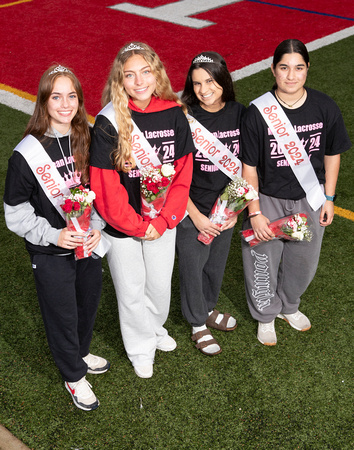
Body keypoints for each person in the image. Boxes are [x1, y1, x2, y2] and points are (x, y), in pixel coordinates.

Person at [4, 65, 110, 411]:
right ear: (44, 102)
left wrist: (96, 227)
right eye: (56, 96)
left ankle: (80, 352)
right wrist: (52, 235)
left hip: (88, 246)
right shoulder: (26, 154)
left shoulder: (89, 137)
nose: (65, 104)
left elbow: (100, 190)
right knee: (62, 314)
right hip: (50, 252)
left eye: (72, 96)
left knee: (86, 305)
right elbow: (16, 213)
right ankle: (73, 375)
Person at [89, 42, 194, 378]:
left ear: (156, 73)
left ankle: (153, 328)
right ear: (119, 81)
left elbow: (182, 173)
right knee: (131, 288)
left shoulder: (174, 113)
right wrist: (136, 225)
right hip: (123, 226)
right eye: (129, 75)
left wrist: (163, 221)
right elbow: (105, 186)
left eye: (145, 72)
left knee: (160, 287)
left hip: (162, 222)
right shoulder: (108, 121)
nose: (138, 81)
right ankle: (139, 347)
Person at [240, 39, 351, 345]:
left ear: (308, 69)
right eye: (284, 68)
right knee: (262, 260)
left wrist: (329, 198)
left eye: (299, 68)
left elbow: (332, 154)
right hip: (268, 200)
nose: (291, 76)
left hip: (309, 199)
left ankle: (289, 306)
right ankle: (265, 314)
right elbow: (248, 167)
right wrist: (255, 212)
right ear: (273, 69)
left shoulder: (324, 106)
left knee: (303, 262)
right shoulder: (257, 113)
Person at [176, 52, 246, 355]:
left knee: (215, 265)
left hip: (226, 208)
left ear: (223, 79)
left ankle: (206, 309)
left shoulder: (240, 113)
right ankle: (196, 323)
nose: (204, 89)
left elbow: (249, 164)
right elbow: (173, 171)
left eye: (210, 80)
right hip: (191, 208)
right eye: (197, 83)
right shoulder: (183, 114)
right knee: (193, 266)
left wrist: (236, 210)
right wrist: (194, 214)